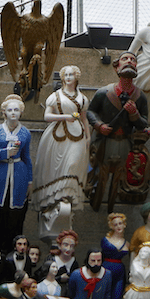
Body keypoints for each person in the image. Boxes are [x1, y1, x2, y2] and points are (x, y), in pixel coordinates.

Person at [33, 65, 90, 239]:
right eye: (66, 75)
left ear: (77, 77)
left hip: (78, 135)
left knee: (72, 165)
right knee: (55, 168)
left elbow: (84, 118)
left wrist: (88, 136)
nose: (68, 77)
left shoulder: (83, 98)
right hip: (57, 135)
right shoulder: (55, 96)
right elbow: (47, 116)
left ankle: (67, 197)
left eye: (72, 74)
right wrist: (65, 117)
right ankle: (54, 202)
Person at [86, 54, 150, 209]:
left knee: (120, 175)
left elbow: (143, 123)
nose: (129, 61)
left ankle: (112, 205)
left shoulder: (140, 97)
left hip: (125, 142)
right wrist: (99, 125)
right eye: (125, 59)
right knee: (99, 173)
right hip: (105, 141)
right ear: (116, 67)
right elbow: (90, 112)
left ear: (136, 67)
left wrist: (134, 113)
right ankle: (94, 198)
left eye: (133, 60)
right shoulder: (104, 92)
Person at [0, 94, 33, 248]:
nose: (13, 112)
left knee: (16, 214)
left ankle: (13, 246)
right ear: (4, 112)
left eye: (16, 110)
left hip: (19, 174)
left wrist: (30, 181)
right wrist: (5, 153)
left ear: (21, 112)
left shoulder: (25, 132)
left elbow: (27, 157)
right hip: (0, 171)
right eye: (10, 110)